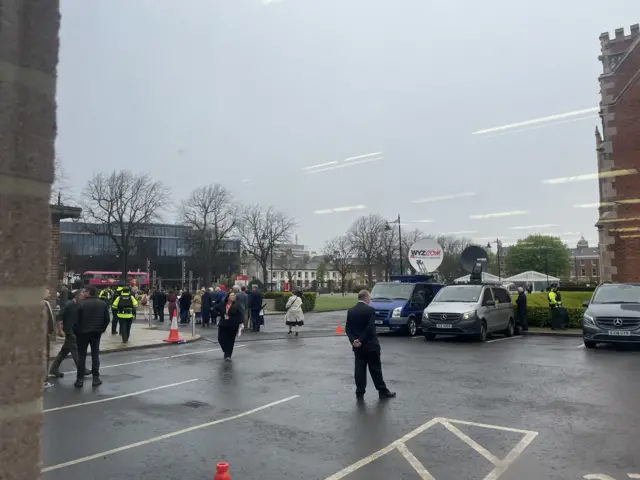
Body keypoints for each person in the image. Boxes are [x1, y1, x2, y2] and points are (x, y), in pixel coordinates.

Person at [345, 290, 396, 400]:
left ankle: (360, 392)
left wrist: (354, 340)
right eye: (369, 298)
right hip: (370, 344)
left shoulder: (351, 311)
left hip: (357, 347)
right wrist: (361, 339)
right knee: (375, 369)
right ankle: (382, 391)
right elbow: (370, 328)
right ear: (366, 298)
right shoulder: (370, 310)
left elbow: (347, 328)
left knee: (359, 369)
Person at [49, 289, 91, 378]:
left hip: (75, 331)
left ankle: (54, 369)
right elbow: (59, 316)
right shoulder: (69, 304)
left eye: (84, 293)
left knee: (64, 352)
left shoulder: (79, 305)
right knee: (76, 351)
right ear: (77, 295)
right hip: (70, 331)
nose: (84, 295)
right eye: (82, 293)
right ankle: (82, 370)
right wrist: (60, 329)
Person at [74, 287, 110, 387]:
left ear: (89, 293)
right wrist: (101, 329)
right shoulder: (102, 304)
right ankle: (95, 378)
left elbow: (75, 320)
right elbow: (107, 319)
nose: (84, 293)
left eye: (85, 291)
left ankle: (80, 379)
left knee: (82, 356)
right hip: (96, 333)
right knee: (95, 355)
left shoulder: (80, 303)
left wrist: (76, 331)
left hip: (82, 333)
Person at [218, 291, 244, 361]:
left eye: (233, 295)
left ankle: (228, 355)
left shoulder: (237, 304)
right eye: (231, 295)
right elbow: (216, 308)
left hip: (233, 324)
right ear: (228, 297)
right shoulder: (223, 304)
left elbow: (241, 314)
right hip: (223, 324)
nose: (233, 297)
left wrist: (241, 323)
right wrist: (219, 313)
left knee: (230, 340)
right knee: (220, 339)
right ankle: (225, 350)